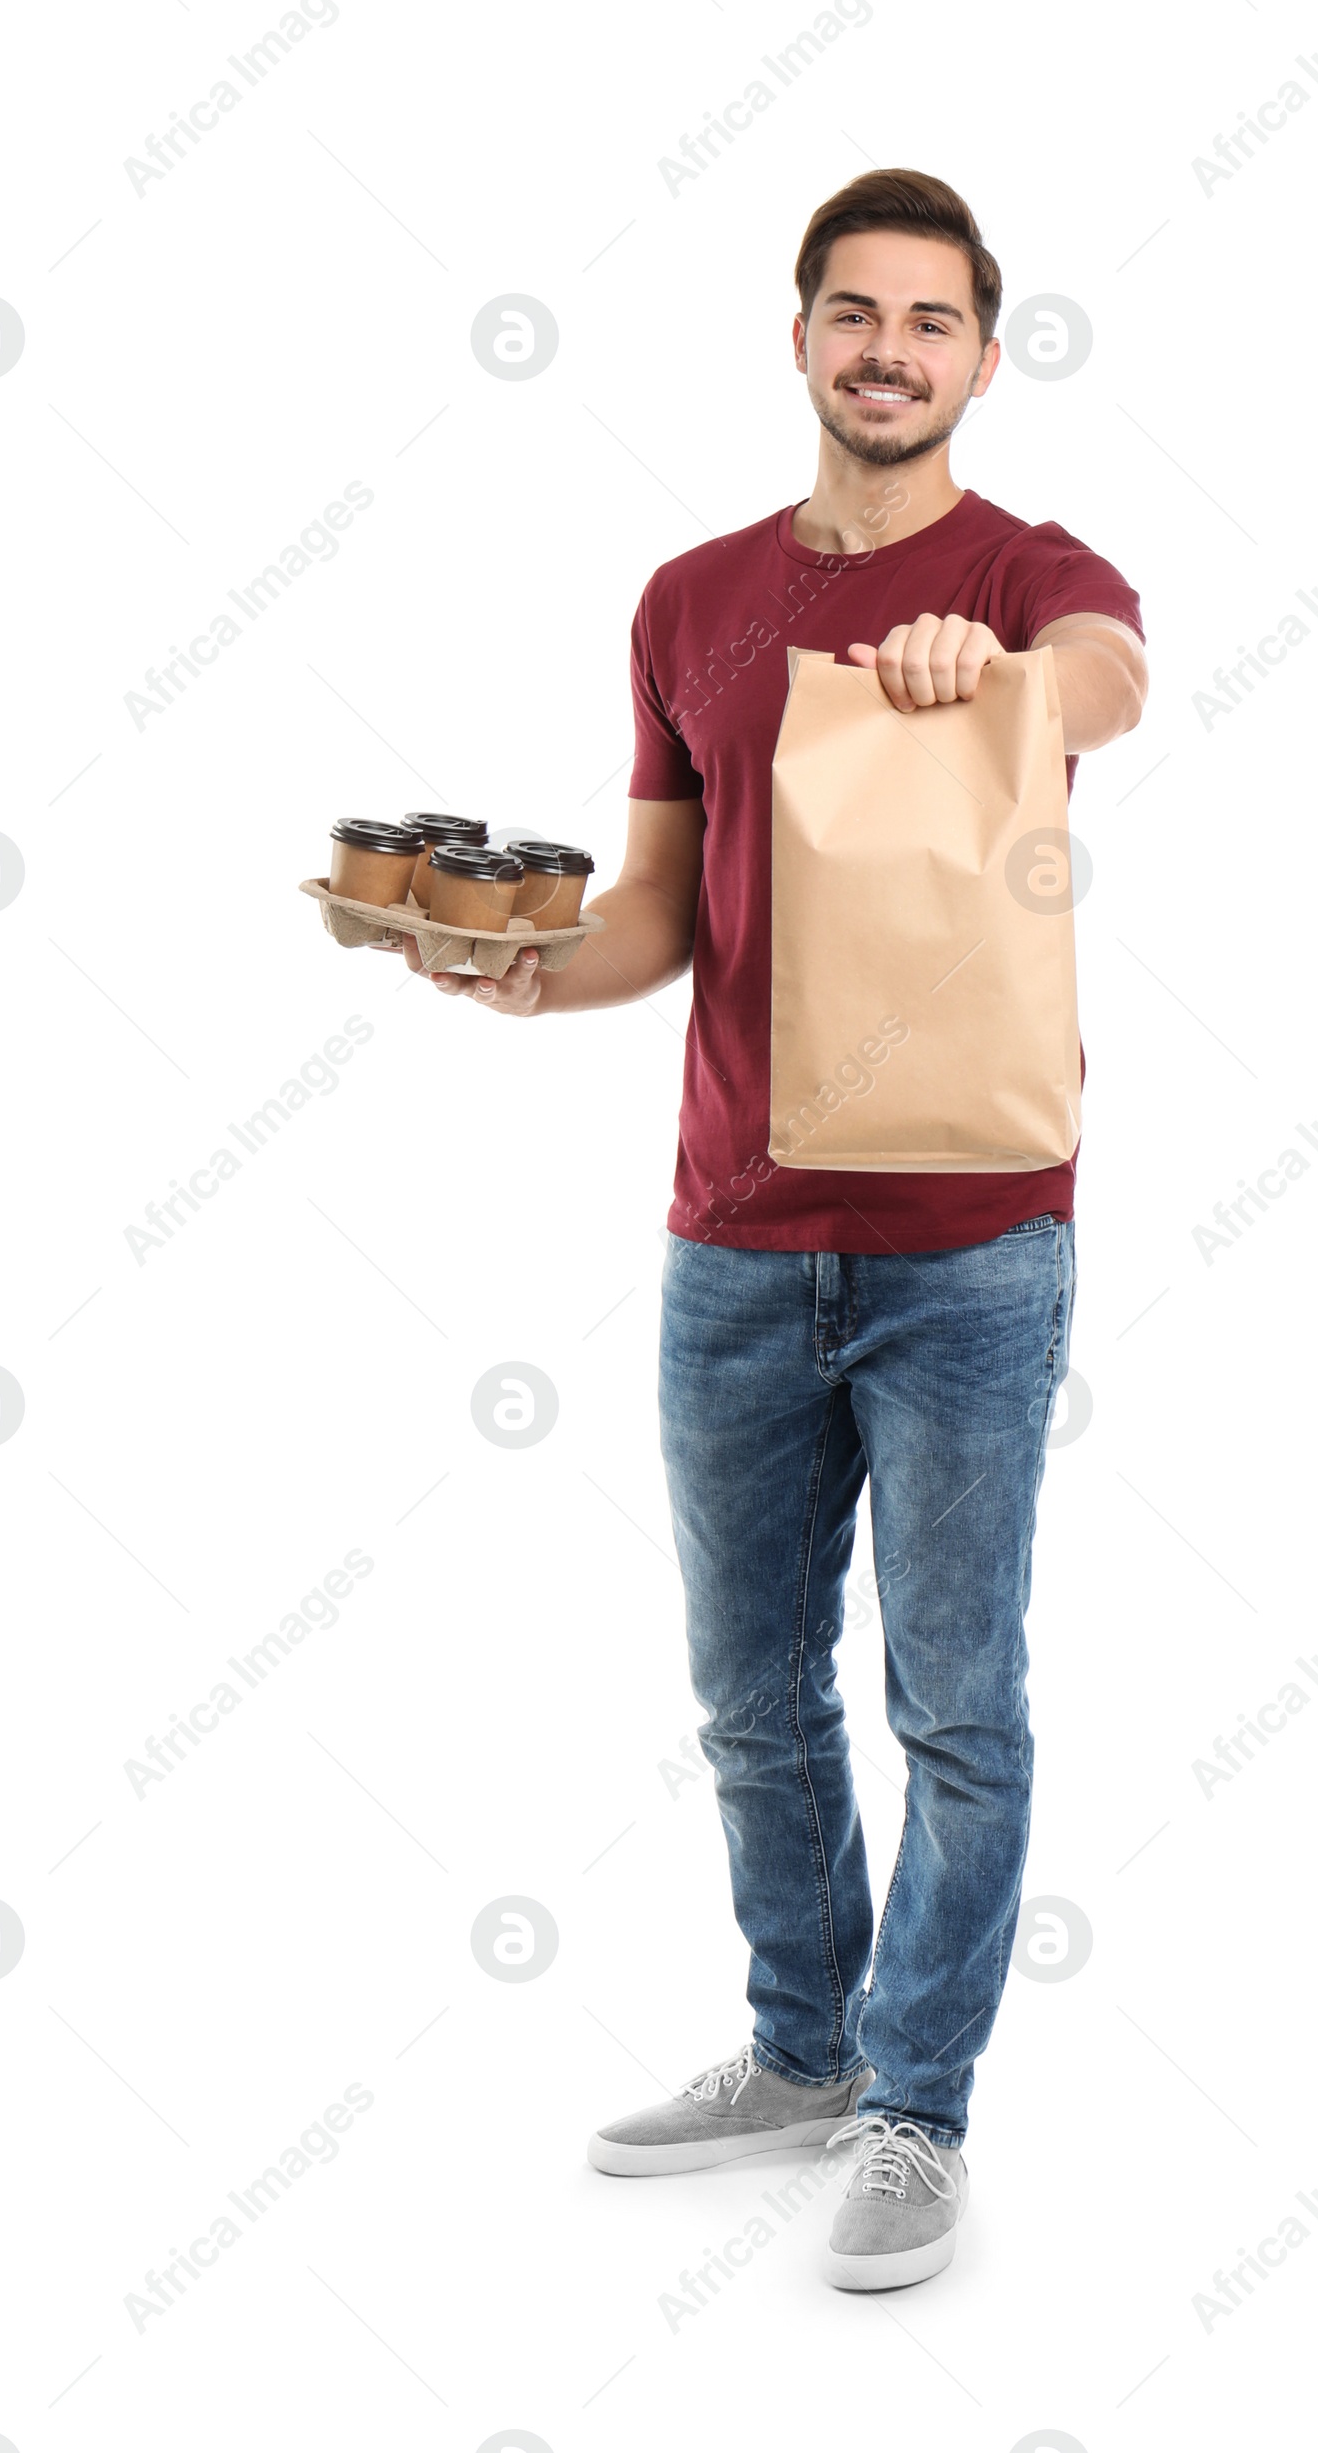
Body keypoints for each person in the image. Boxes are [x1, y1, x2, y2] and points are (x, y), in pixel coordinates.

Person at [407, 169, 1147, 2289]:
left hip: (970, 1243)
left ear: (979, 361)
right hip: (729, 1233)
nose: (888, 351)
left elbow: (1108, 681)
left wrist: (989, 660)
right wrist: (526, 969)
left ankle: (917, 2106)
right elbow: (656, 908)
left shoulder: (1027, 572)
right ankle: (800, 2046)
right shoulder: (685, 601)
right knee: (748, 1697)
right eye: (853, 313)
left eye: (930, 321)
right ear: (799, 337)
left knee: (956, 1704)